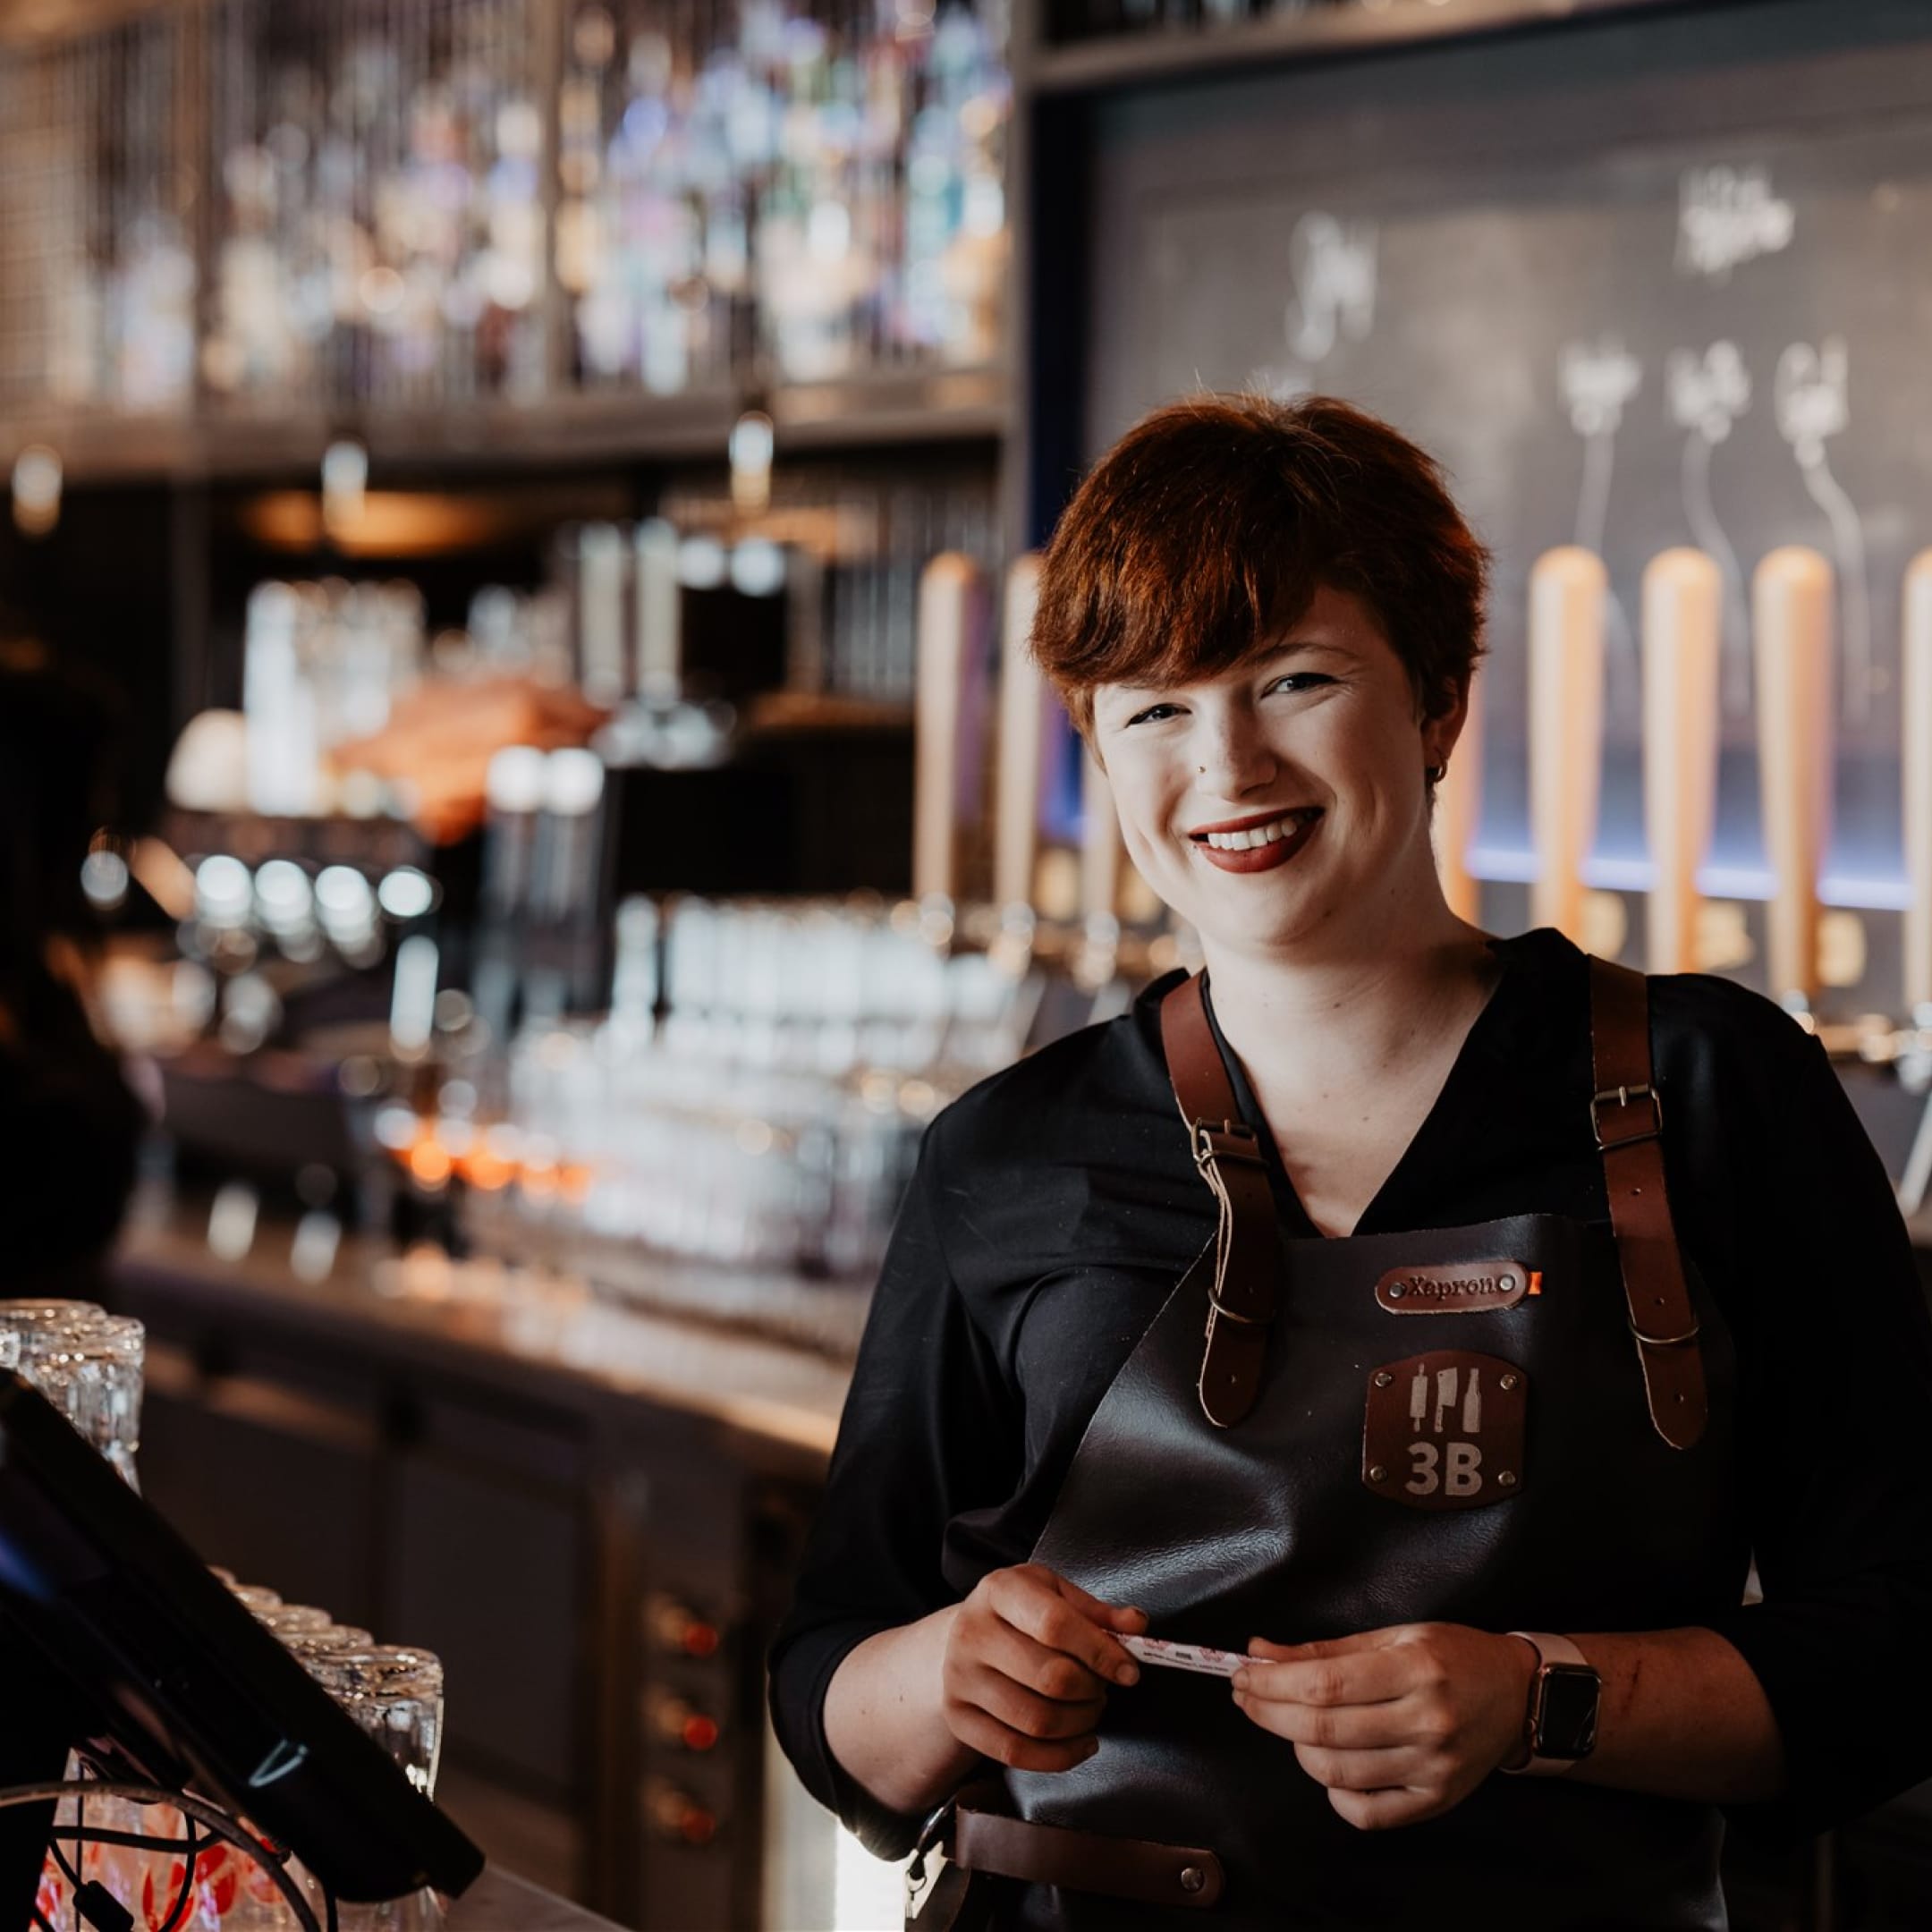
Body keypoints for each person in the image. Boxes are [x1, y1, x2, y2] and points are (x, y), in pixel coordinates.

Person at [767, 394, 1932, 1929]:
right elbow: (828, 1681)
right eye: (1156, 711)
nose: (1227, 766)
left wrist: (1540, 1700)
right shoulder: (1009, 1152)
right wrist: (939, 1673)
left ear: (1439, 705)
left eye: (1293, 681)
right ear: (1100, 753)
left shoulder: (1709, 1088)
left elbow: (1902, 1646)